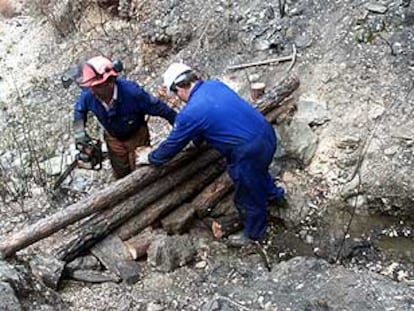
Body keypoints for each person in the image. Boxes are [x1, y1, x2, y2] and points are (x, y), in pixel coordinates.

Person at [137, 63, 285, 246]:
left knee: (247, 194)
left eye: (175, 94)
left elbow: (172, 145)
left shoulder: (190, 113)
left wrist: (151, 157)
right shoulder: (215, 85)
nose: (178, 99)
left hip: (248, 151)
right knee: (258, 172)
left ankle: (255, 235)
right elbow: (216, 117)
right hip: (266, 133)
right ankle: (275, 196)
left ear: (179, 88)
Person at [73, 55, 177, 179]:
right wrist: (79, 133)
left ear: (110, 82)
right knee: (121, 172)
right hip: (113, 137)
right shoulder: (88, 95)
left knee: (142, 172)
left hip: (137, 135)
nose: (93, 91)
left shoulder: (132, 93)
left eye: (96, 87)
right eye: (91, 87)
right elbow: (79, 111)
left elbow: (159, 108)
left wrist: (179, 123)